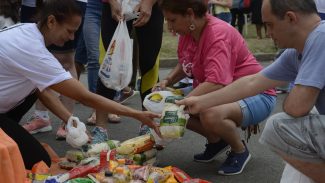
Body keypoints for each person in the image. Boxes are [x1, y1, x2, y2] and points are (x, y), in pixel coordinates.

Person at [0, 0, 160, 170]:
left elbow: (42, 91)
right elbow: (84, 97)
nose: (71, 37)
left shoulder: (27, 32)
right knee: (39, 161)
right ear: (51, 21)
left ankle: (8, 134)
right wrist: (136, 114)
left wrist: (69, 119)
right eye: (69, 31)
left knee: (33, 91)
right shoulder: (31, 49)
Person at [177, 0, 325, 181]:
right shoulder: (296, 52)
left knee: (278, 126)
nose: (268, 33)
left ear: (290, 18)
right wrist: (199, 102)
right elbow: (252, 82)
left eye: (270, 25)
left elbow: (297, 107)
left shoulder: (321, 37)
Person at [158, 0, 276, 175]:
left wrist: (180, 103)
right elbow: (186, 63)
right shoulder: (189, 32)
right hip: (225, 91)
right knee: (165, 103)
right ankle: (217, 141)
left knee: (208, 113)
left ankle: (239, 151)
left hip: (257, 94)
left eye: (172, 20)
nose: (170, 27)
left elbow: (217, 82)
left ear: (190, 14)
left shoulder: (217, 33)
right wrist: (166, 82)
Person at [96, 0, 164, 133]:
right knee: (109, 63)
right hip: (115, 4)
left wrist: (149, 3)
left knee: (149, 62)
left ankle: (148, 126)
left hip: (150, 6)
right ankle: (100, 129)